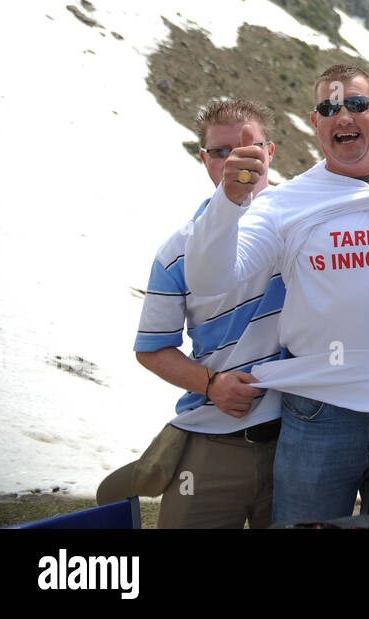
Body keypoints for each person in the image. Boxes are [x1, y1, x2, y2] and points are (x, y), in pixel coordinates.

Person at [184, 59, 369, 524]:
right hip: (322, 410)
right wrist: (229, 202)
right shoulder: (284, 203)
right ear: (316, 123)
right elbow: (210, 279)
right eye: (329, 107)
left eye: (357, 104)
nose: (343, 115)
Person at [102, 99, 285, 528]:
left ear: (270, 152)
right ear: (204, 158)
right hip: (211, 437)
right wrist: (212, 384)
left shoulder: (302, 225)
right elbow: (152, 348)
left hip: (299, 439)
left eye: (248, 146)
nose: (234, 159)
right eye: (220, 151)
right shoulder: (176, 251)